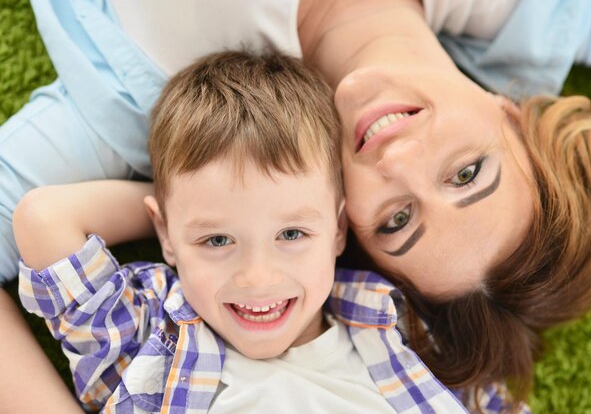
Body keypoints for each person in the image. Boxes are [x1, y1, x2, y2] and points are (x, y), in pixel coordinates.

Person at [1, 0, 591, 412]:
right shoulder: (528, 15)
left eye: (397, 220)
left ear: (341, 227)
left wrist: (209, 215)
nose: (400, 160)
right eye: (467, 172)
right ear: (513, 113)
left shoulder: (137, 113)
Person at [15, 51, 481, 414]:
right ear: (167, 235)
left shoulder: (400, 324)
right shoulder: (146, 341)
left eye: (292, 233)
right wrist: (178, 215)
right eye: (217, 240)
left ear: (338, 227)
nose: (257, 276)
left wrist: (197, 220)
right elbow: (44, 219)